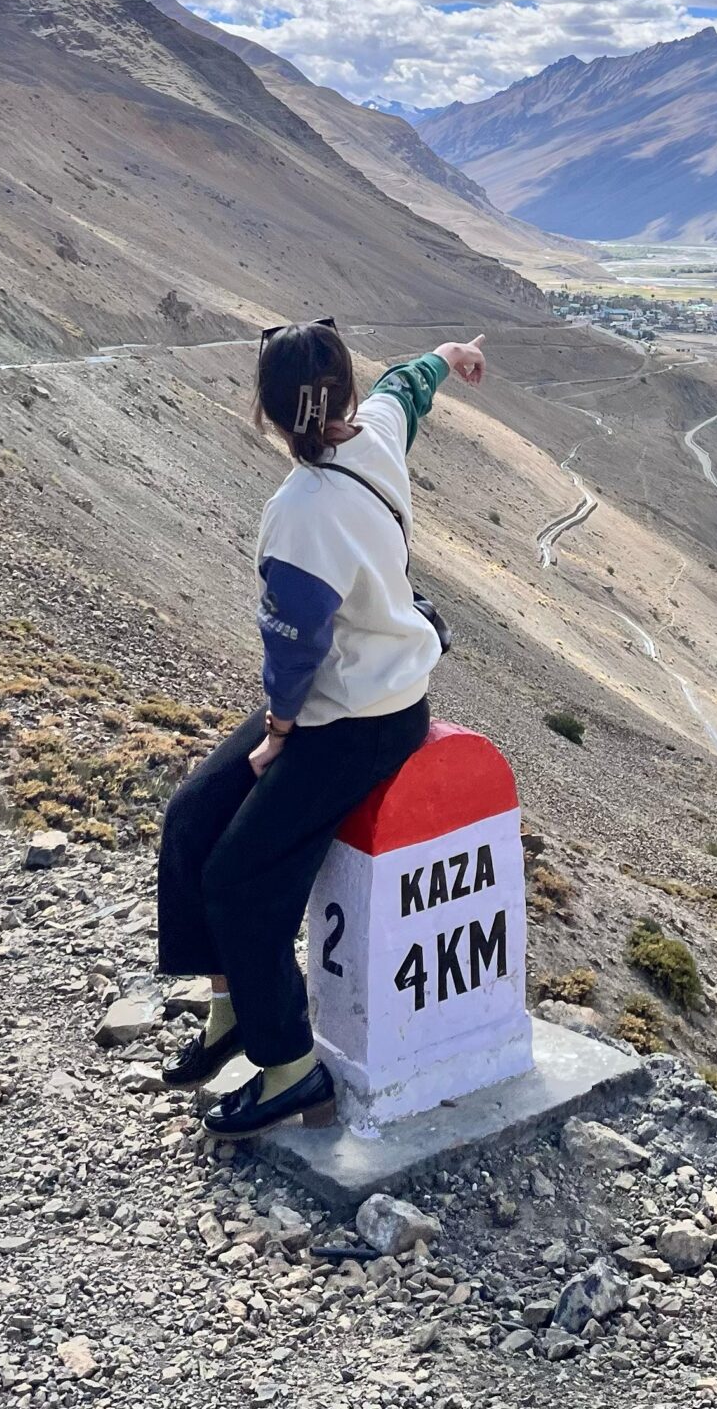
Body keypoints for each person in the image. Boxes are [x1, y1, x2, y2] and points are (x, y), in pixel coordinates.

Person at [156, 317, 486, 1136]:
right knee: (192, 815)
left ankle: (291, 1070)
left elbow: (294, 648)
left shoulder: (298, 513)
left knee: (240, 880)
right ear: (343, 394)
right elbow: (409, 385)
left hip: (355, 720)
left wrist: (277, 733)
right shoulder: (375, 432)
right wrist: (453, 354)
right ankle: (233, 1008)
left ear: (267, 411)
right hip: (359, 696)